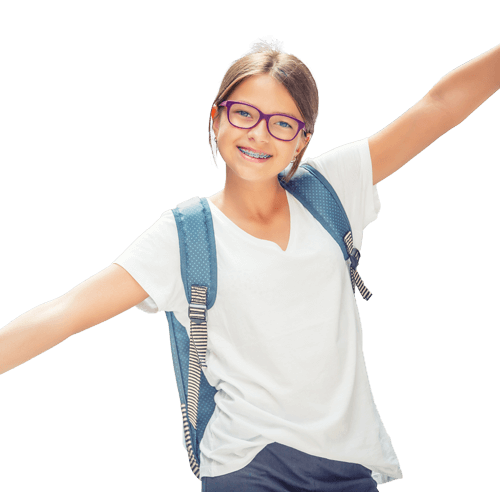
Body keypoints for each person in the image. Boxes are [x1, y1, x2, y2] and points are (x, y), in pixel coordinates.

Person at [1, 36, 498, 491]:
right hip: (247, 467)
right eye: (243, 114)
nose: (259, 135)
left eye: (282, 123)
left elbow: (441, 106)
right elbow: (64, 314)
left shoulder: (331, 189)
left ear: (302, 140)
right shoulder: (184, 235)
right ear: (216, 120)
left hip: (350, 466)